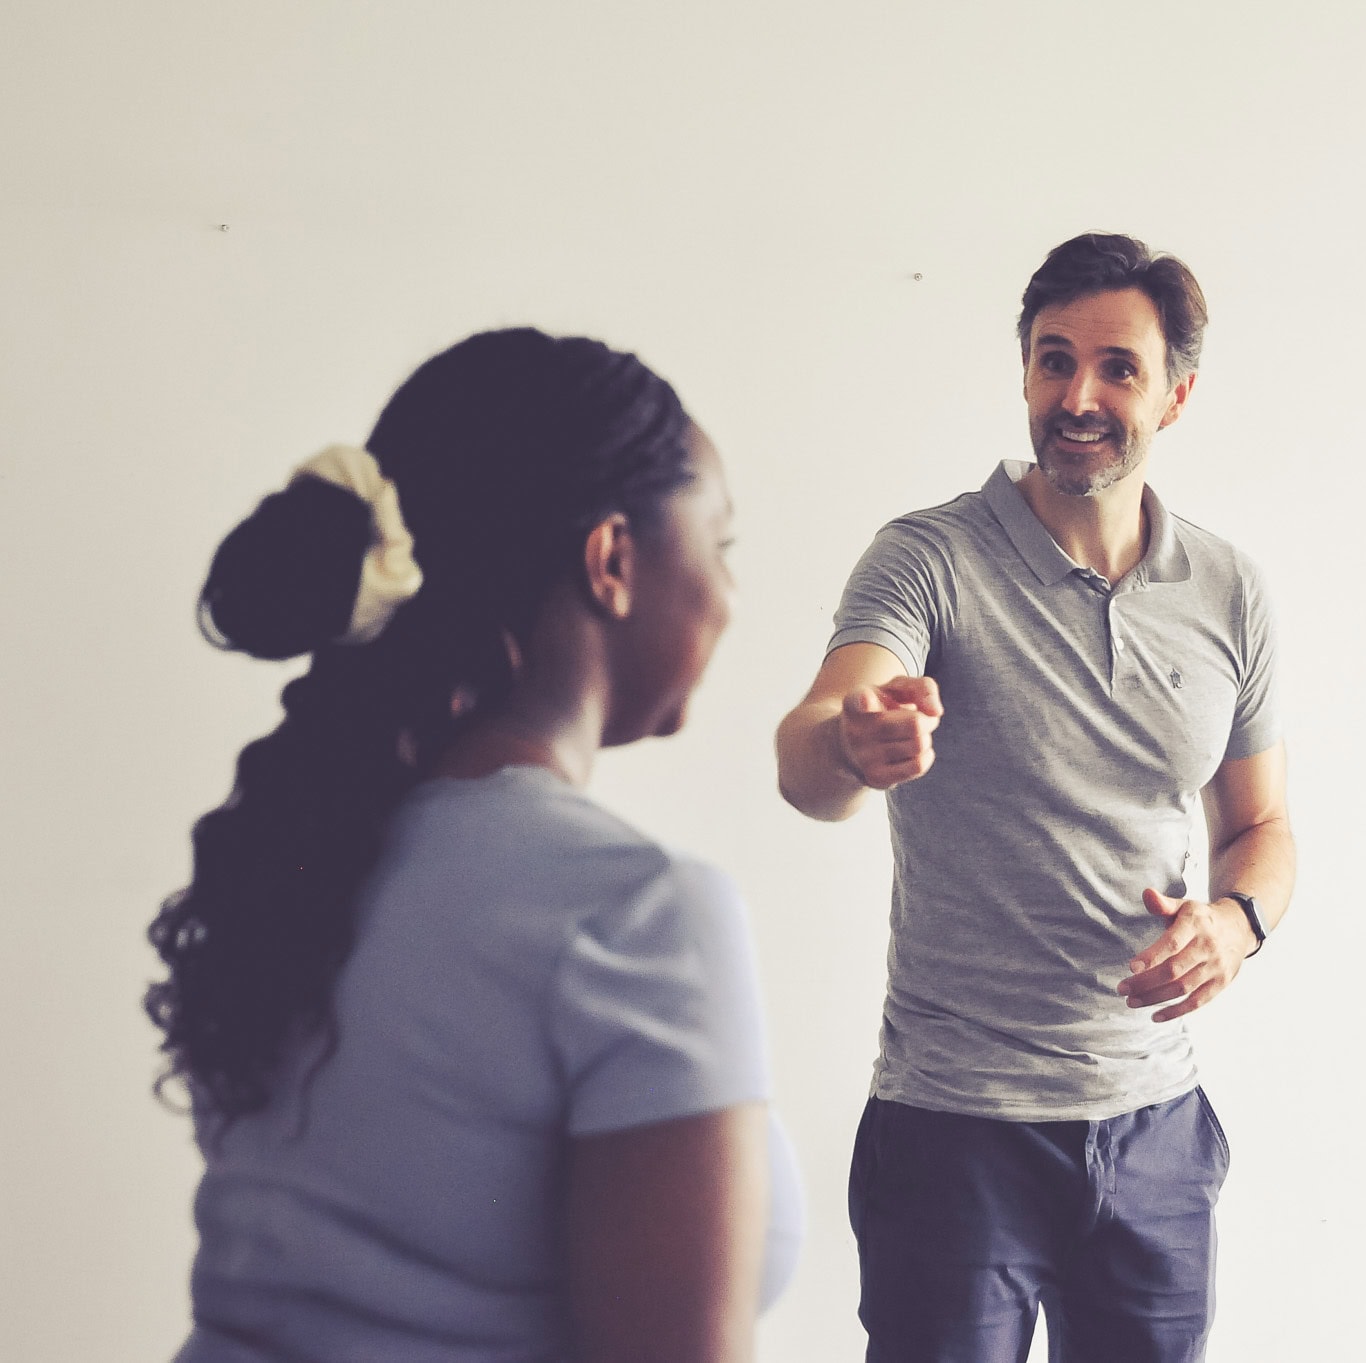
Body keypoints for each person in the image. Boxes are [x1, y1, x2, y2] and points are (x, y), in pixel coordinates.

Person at [147, 328, 800, 1363]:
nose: (727, 593)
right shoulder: (639, 910)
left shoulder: (300, 857)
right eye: (718, 544)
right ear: (613, 559)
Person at [775, 233, 1295, 1361]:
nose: (1079, 395)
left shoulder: (1227, 590)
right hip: (956, 1130)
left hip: (1156, 1128)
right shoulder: (927, 560)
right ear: (1021, 372)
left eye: (1117, 368)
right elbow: (808, 748)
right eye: (1052, 360)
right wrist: (854, 747)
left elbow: (1260, 829)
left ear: (1176, 393)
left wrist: (1233, 924)